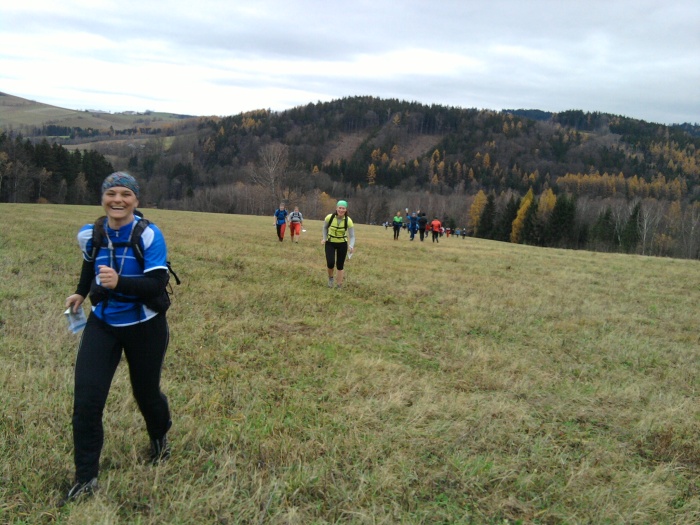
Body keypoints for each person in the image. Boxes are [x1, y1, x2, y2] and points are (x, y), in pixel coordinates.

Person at [62, 172, 172, 504]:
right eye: (112, 193)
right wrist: (82, 293)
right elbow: (88, 265)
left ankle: (159, 440)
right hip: (103, 323)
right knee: (86, 403)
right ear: (103, 198)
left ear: (136, 201)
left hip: (146, 326)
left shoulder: (150, 234)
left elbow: (156, 284)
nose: (118, 200)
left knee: (146, 393)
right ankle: (85, 479)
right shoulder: (90, 234)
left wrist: (118, 283)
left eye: (126, 194)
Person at [322, 200, 355, 289]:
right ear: (336, 208)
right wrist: (324, 238)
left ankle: (339, 285)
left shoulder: (348, 220)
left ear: (346, 209)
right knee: (330, 263)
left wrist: (351, 246)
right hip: (330, 243)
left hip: (342, 244)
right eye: (339, 208)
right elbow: (324, 228)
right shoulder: (329, 217)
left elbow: (352, 236)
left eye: (343, 208)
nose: (341, 210)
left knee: (340, 265)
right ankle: (331, 278)